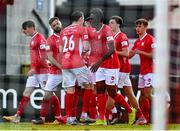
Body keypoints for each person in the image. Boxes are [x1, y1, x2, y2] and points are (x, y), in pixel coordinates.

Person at [88, 8, 136, 125]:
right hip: (100, 66)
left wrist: (98, 61)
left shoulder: (107, 30)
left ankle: (130, 110)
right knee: (100, 90)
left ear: (99, 19)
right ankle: (102, 119)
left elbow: (112, 49)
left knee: (112, 93)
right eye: (90, 19)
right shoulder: (94, 32)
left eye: (92, 19)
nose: (91, 21)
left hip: (112, 66)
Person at [3, 20, 48, 123]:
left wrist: (34, 68)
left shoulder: (40, 38)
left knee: (49, 94)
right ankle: (17, 116)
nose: (23, 32)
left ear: (30, 27)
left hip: (43, 71)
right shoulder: (32, 39)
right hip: (35, 72)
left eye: (25, 29)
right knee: (26, 92)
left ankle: (59, 115)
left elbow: (44, 56)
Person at [109, 16, 147, 125]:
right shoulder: (112, 37)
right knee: (130, 94)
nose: (110, 25)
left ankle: (110, 115)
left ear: (118, 25)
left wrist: (112, 52)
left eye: (112, 23)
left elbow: (126, 53)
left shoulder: (122, 37)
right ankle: (141, 117)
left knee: (112, 93)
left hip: (122, 69)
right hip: (118, 69)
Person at [59, 10, 93, 125]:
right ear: (81, 18)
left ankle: (70, 118)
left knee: (70, 89)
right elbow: (86, 47)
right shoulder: (82, 29)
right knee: (89, 84)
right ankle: (84, 115)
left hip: (65, 62)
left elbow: (60, 50)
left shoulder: (64, 31)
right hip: (76, 62)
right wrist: (83, 53)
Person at [32, 17, 63, 124]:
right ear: (51, 27)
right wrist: (61, 66)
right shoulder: (50, 39)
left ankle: (71, 118)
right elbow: (49, 57)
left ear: (60, 22)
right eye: (54, 25)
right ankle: (42, 118)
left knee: (75, 92)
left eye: (57, 23)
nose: (56, 26)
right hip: (56, 71)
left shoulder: (68, 36)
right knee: (47, 95)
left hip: (71, 70)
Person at [129, 18, 155, 124]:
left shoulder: (151, 39)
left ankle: (161, 110)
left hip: (151, 70)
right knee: (143, 96)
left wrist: (140, 52)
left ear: (145, 27)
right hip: (142, 71)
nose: (137, 28)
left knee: (148, 94)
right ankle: (145, 119)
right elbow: (129, 54)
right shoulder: (137, 41)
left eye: (140, 26)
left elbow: (153, 55)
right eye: (137, 26)